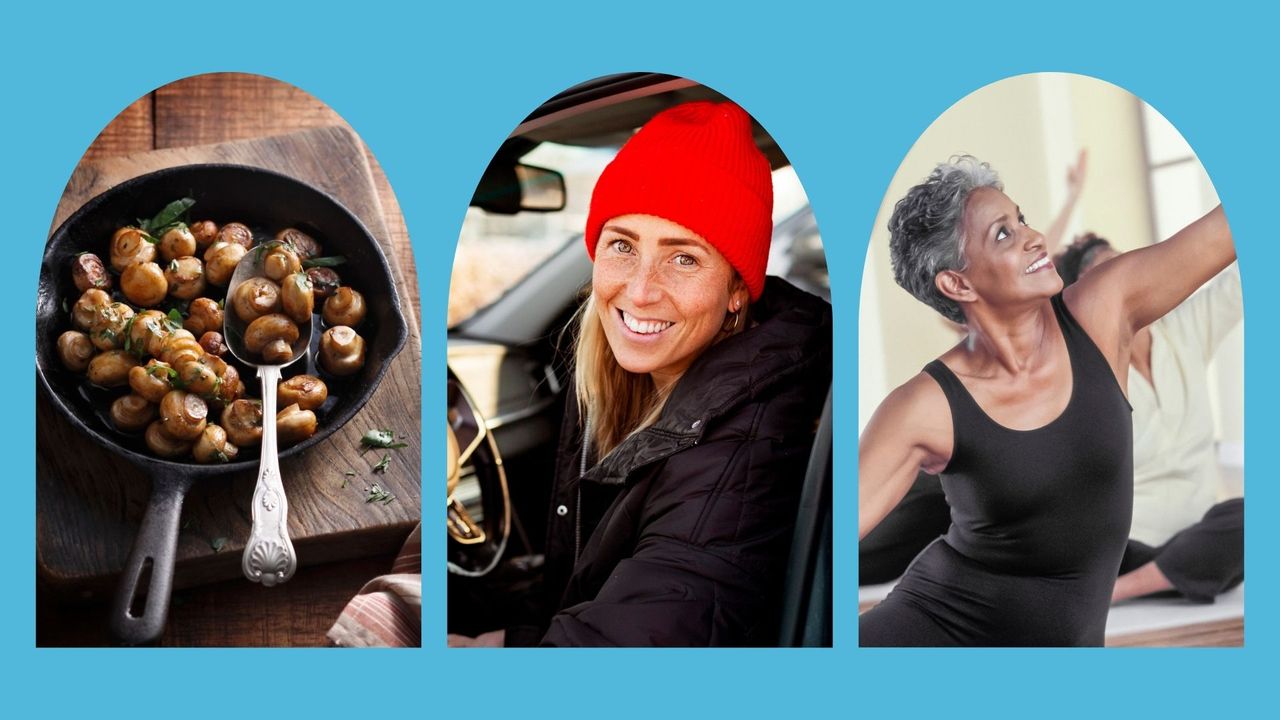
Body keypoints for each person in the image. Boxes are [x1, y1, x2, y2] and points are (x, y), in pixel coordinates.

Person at [448, 101, 832, 647]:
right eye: (622, 245)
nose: (641, 289)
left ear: (738, 290)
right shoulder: (628, 383)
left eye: (684, 259)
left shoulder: (747, 449)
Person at [858, 156, 1233, 646]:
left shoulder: (1102, 310)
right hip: (937, 628)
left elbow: (1224, 231)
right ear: (958, 283)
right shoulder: (924, 406)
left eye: (1023, 219)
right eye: (1002, 234)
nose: (1034, 238)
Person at [1056, 235, 1243, 603]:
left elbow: (1237, 282)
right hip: (1126, 547)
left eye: (1130, 268)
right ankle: (1133, 584)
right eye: (1107, 278)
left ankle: (1115, 592)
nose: (1128, 284)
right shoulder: (1076, 369)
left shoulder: (1184, 326)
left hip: (1200, 534)